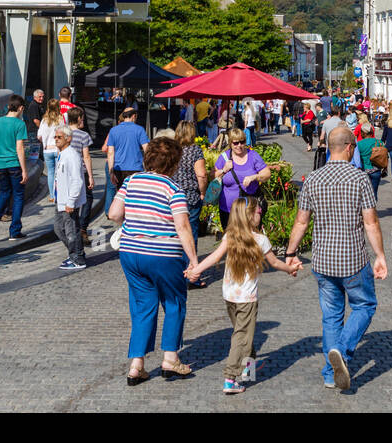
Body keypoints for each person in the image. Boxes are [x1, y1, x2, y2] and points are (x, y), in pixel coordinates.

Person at [284, 125, 388, 390]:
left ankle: (331, 375)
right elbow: (371, 223)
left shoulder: (314, 180)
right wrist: (380, 256)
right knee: (364, 306)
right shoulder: (360, 178)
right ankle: (342, 350)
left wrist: (291, 253)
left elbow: (301, 222)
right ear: (350, 148)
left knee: (331, 317)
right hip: (352, 259)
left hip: (323, 261)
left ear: (330, 148)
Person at [108, 137, 200, 385]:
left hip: (131, 253)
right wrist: (193, 261)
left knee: (142, 306)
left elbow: (114, 213)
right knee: (174, 302)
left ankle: (137, 365)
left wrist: (135, 225)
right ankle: (170, 358)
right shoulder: (173, 189)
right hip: (163, 255)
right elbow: (182, 227)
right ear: (174, 163)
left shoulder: (131, 181)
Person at [187, 196, 300, 393]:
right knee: (242, 337)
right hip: (247, 299)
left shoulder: (230, 235)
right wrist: (290, 270)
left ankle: (249, 370)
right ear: (249, 216)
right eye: (258, 211)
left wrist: (197, 270)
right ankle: (230, 378)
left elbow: (214, 257)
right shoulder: (261, 240)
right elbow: (274, 263)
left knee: (244, 334)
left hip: (229, 296)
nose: (261, 213)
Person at [0, 95, 30, 240]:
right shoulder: (19, 124)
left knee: (4, 193)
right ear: (21, 108)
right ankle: (15, 231)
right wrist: (24, 170)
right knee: (18, 196)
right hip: (14, 164)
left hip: (0, 164)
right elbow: (20, 149)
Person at [171, 120, 209, 286]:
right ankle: (191, 274)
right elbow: (201, 175)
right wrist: (202, 192)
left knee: (174, 236)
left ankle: (174, 274)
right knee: (190, 236)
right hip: (190, 198)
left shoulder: (172, 150)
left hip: (172, 197)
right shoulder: (194, 150)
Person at [213, 127, 271, 231]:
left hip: (250, 210)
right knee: (231, 242)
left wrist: (254, 177)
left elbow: (267, 173)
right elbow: (213, 176)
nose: (239, 146)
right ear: (230, 143)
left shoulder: (252, 155)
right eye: (236, 143)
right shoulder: (224, 158)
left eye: (242, 142)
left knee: (251, 241)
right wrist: (224, 170)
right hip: (228, 209)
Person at [104, 106, 150, 218]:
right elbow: (147, 149)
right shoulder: (139, 129)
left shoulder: (114, 130)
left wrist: (111, 171)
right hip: (136, 168)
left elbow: (110, 153)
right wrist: (149, 168)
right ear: (134, 116)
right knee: (134, 197)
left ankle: (123, 220)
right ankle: (133, 218)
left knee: (121, 195)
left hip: (119, 168)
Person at [52, 125, 87, 271]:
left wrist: (71, 201)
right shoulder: (62, 154)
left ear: (68, 138)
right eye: (55, 137)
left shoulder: (72, 155)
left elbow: (77, 180)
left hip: (68, 201)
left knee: (71, 230)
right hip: (61, 200)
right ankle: (76, 253)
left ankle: (77, 258)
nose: (56, 139)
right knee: (59, 228)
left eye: (59, 137)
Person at [66, 107, 96, 240]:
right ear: (78, 119)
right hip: (80, 171)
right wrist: (90, 176)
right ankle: (82, 228)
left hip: (67, 173)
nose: (83, 120)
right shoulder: (84, 135)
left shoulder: (63, 133)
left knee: (71, 199)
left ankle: (72, 227)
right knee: (87, 198)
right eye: (82, 118)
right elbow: (86, 157)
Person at [37, 98, 64, 201]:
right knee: (59, 173)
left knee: (51, 173)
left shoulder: (44, 120)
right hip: (58, 149)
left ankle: (52, 196)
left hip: (47, 150)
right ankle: (59, 194)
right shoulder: (60, 119)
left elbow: (39, 136)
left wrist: (45, 139)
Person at [353, 120, 385, 199]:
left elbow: (356, 158)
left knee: (364, 194)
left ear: (363, 133)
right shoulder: (379, 142)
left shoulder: (359, 144)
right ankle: (373, 208)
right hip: (376, 170)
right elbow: (384, 156)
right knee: (374, 192)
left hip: (364, 171)